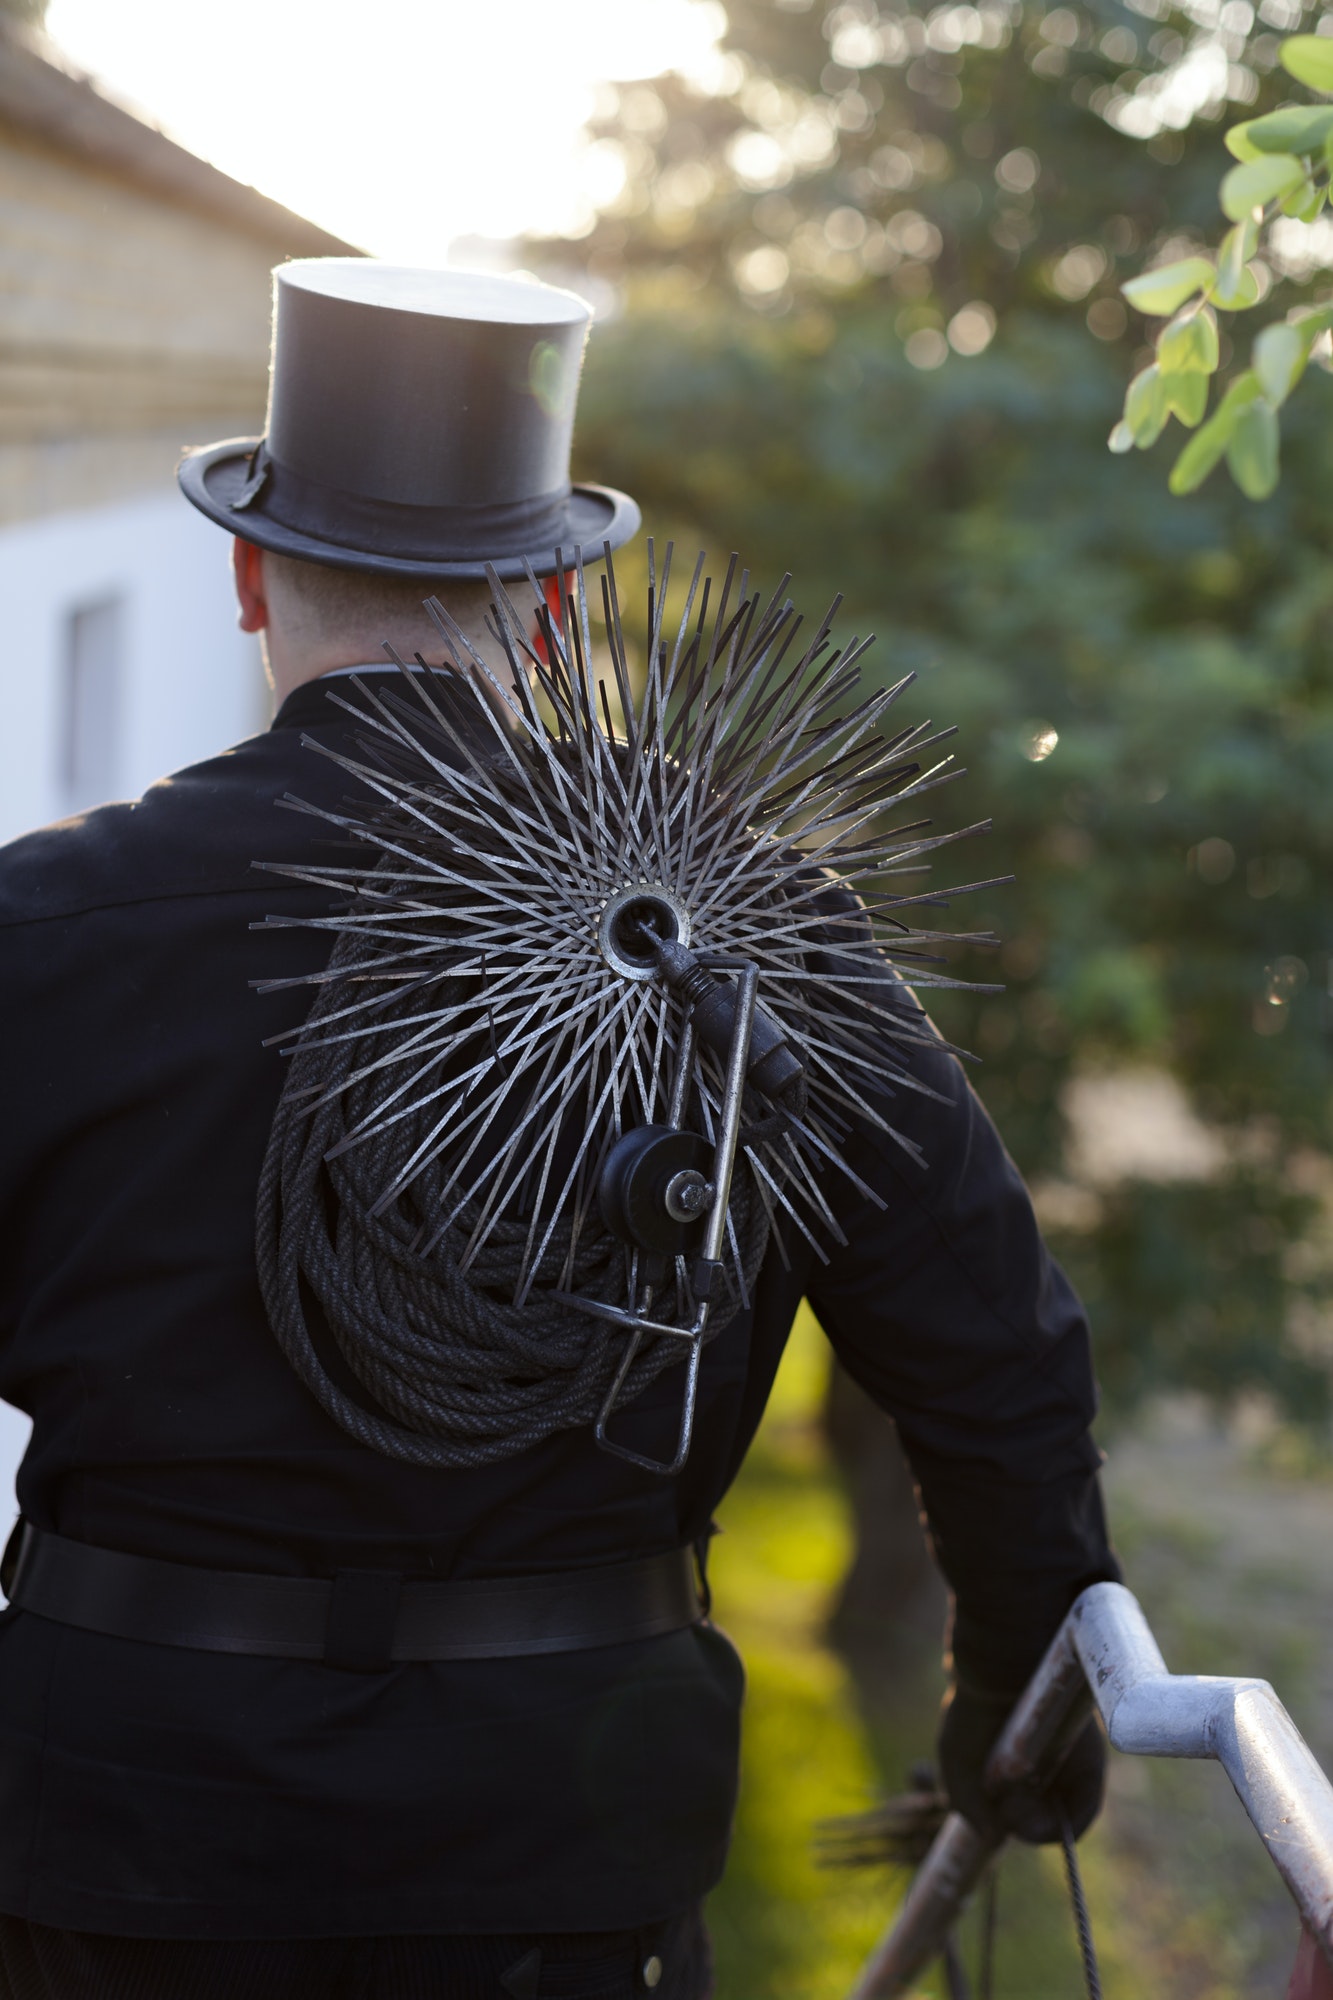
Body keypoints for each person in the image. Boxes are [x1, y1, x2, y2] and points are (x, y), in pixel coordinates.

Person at [0, 261, 1117, 2000]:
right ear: (548, 606)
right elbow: (994, 1348)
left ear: (244, 578)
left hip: (128, 1836)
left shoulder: (43, 935)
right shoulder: (763, 929)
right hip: (561, 1838)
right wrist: (1015, 1701)